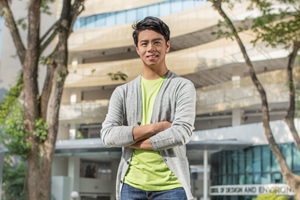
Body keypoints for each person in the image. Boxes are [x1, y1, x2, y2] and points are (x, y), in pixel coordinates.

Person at [100, 16, 196, 200]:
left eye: (157, 42)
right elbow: (108, 135)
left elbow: (181, 133)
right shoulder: (122, 92)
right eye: (144, 43)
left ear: (167, 45)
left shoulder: (183, 87)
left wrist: (130, 139)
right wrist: (156, 127)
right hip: (131, 186)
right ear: (137, 48)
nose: (150, 48)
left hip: (172, 187)